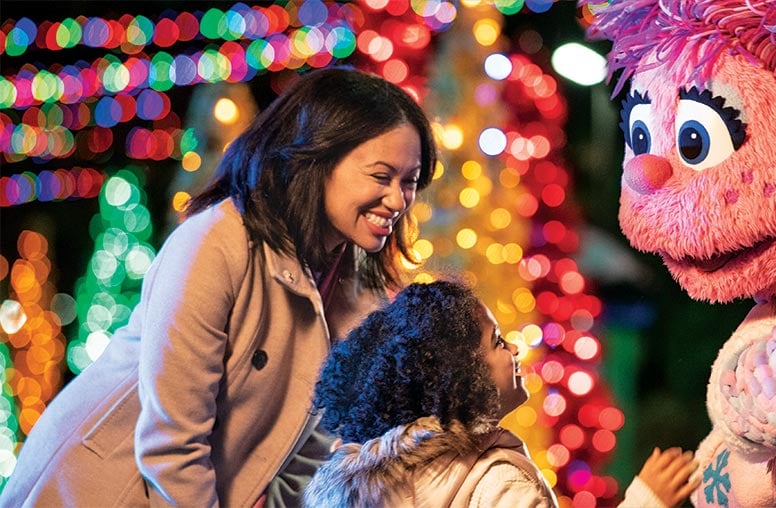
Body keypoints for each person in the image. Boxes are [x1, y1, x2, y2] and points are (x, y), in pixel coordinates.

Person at [0, 67, 438, 507]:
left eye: (410, 181)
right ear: (316, 159)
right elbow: (171, 447)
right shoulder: (215, 244)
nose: (399, 200)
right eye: (381, 177)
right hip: (107, 492)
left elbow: (319, 450)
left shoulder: (361, 287)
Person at [303, 280, 700, 507]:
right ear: (461, 376)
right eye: (496, 342)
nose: (513, 349)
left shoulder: (373, 486)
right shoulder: (496, 484)